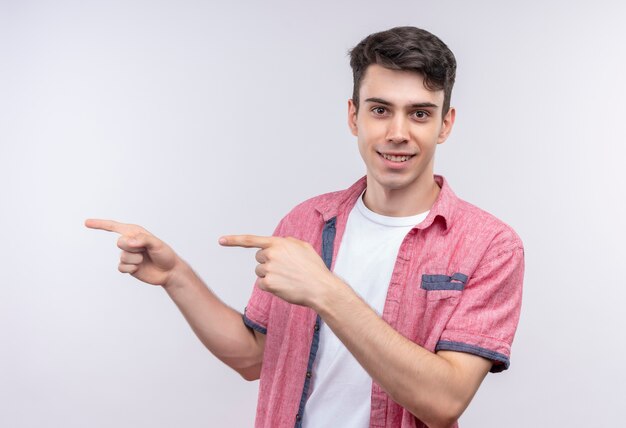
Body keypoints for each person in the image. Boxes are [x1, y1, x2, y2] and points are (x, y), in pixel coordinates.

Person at [86, 26, 524, 428]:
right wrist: (175, 276)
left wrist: (325, 290)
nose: (397, 132)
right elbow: (253, 359)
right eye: (379, 110)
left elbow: (443, 401)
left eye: (420, 114)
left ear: (445, 124)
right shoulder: (306, 223)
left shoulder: (489, 246)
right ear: (354, 116)